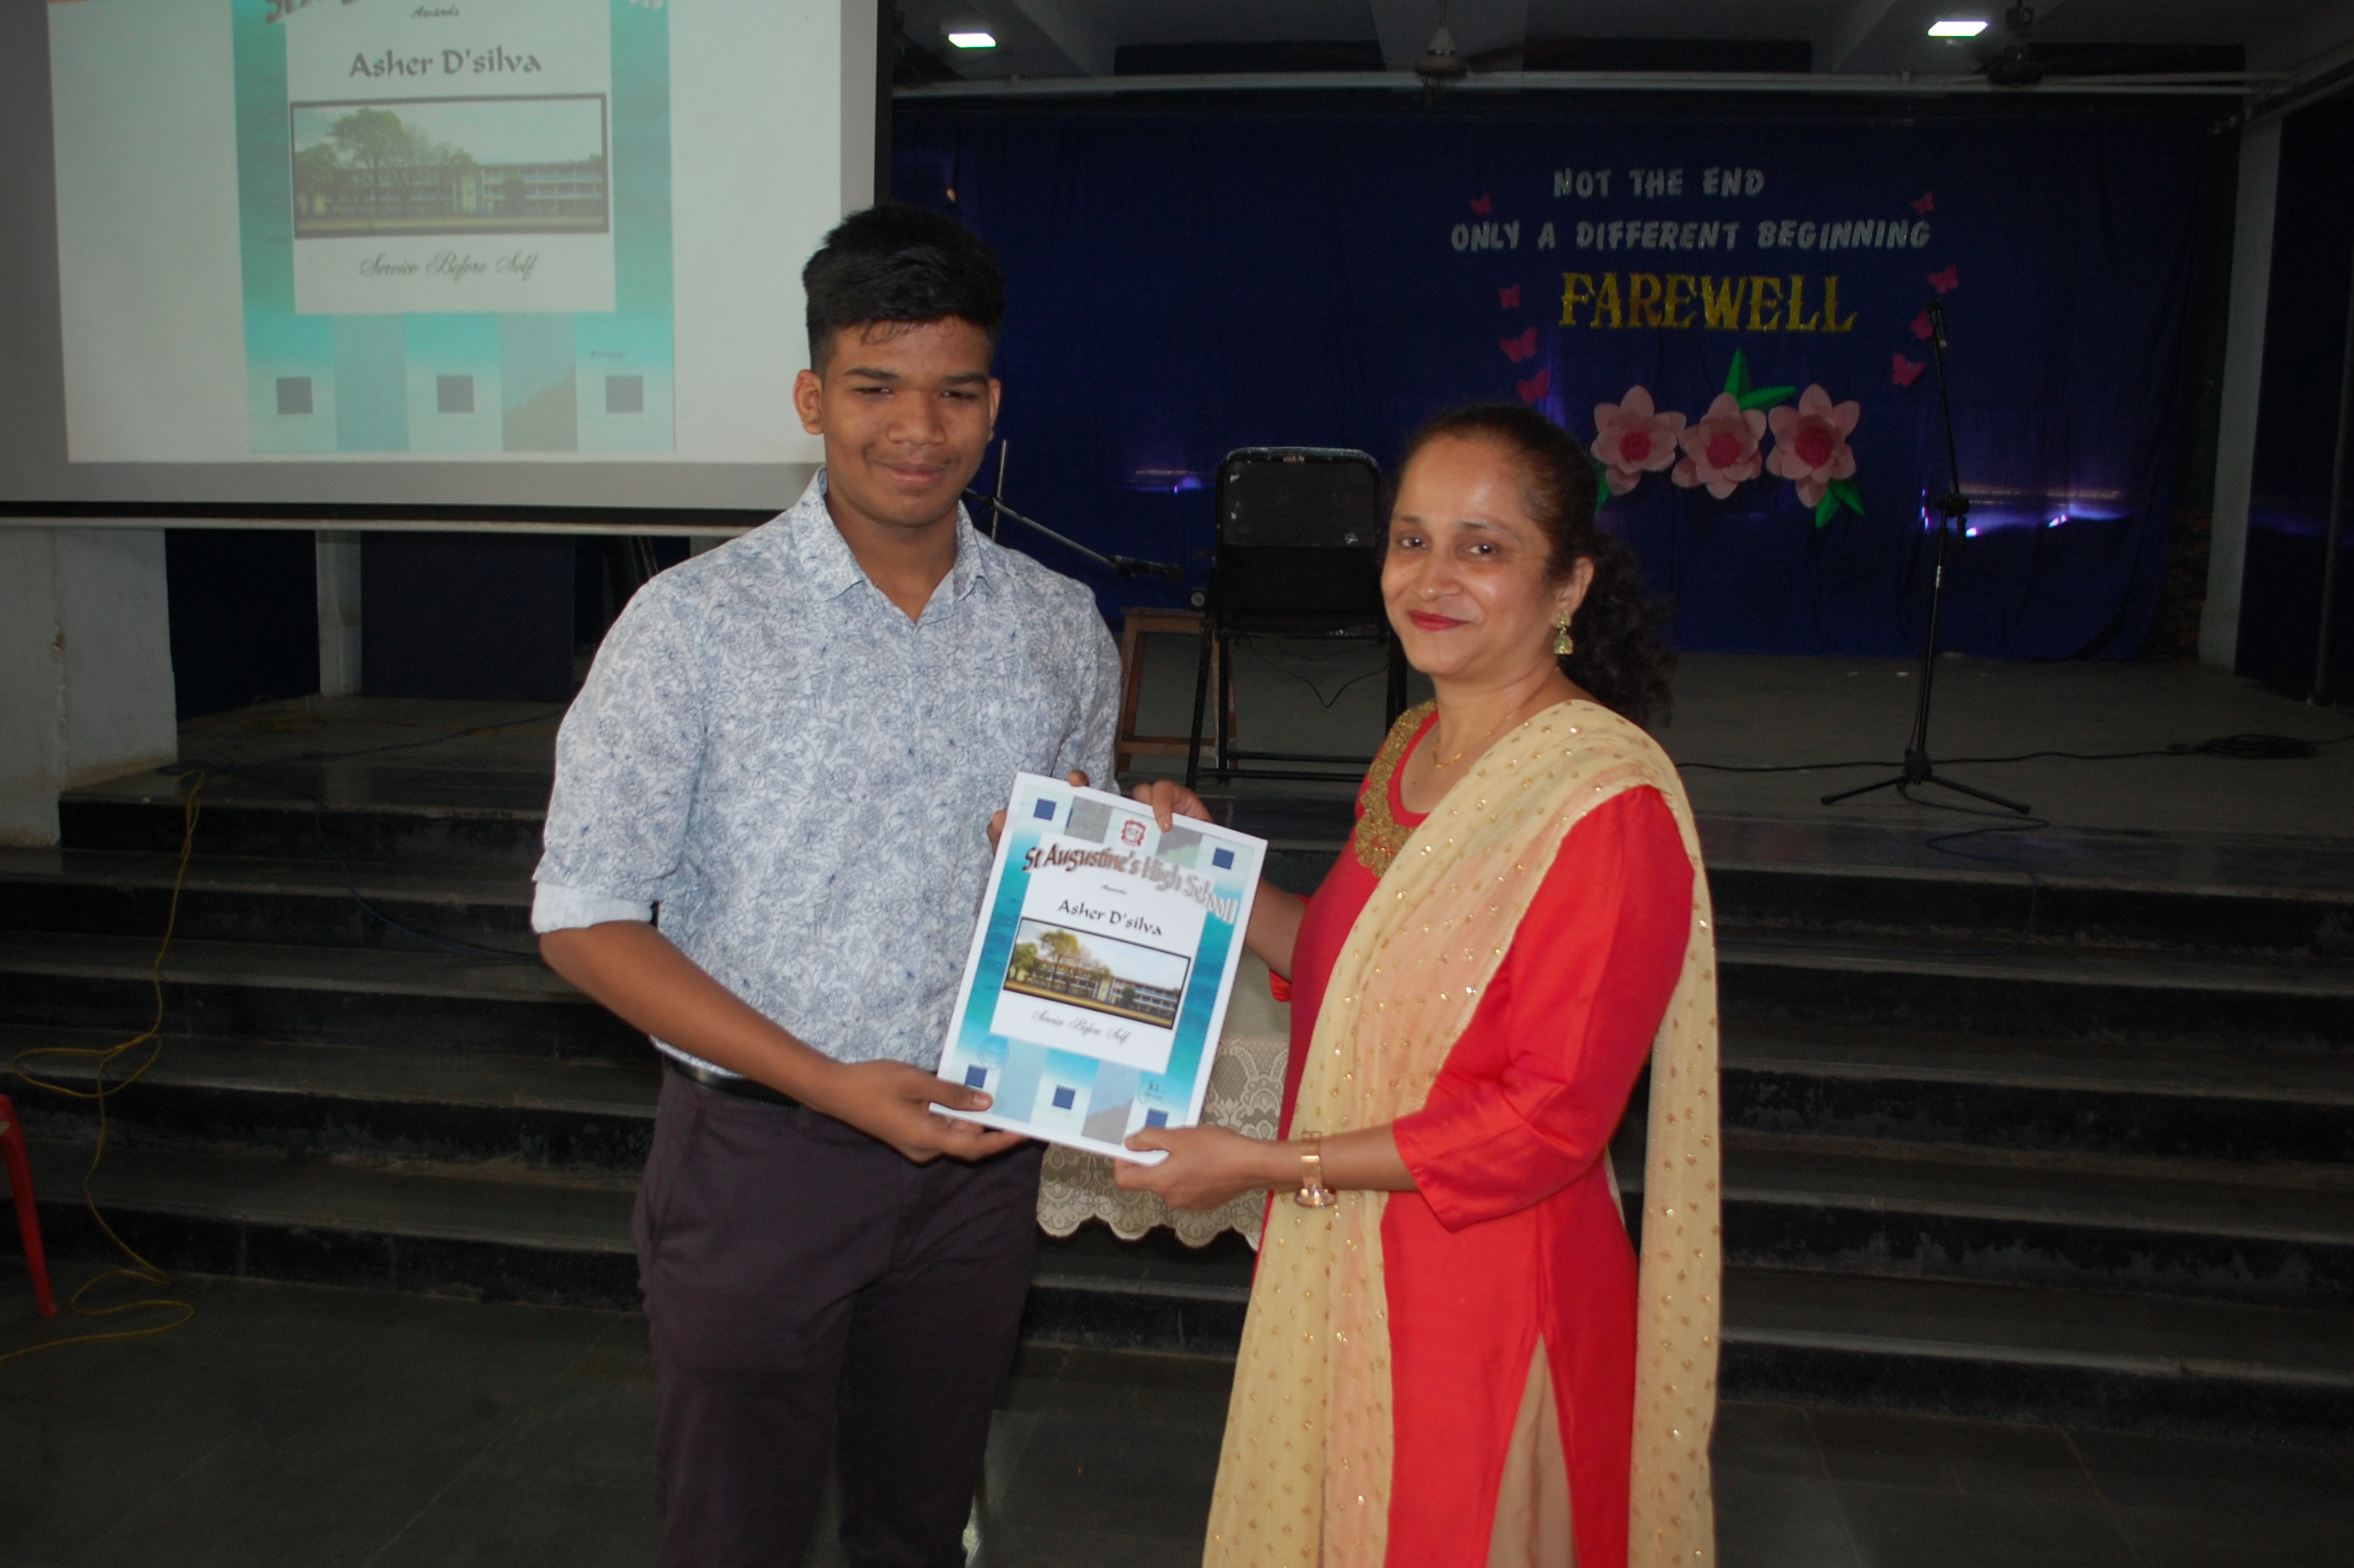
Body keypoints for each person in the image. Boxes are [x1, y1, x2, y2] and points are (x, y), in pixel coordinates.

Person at [532, 205, 1123, 1568]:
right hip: (760, 1166)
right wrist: (831, 1084)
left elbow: (1069, 889)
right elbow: (582, 915)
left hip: (977, 1168)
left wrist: (1136, 850)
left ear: (993, 405)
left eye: (955, 391)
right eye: (874, 387)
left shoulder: (1057, 626)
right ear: (813, 398)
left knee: (920, 1529)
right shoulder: (691, 626)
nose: (918, 427)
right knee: (733, 1536)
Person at [1114, 404, 1721, 1568]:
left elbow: (1549, 1121)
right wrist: (1186, 869)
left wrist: (1266, 1166)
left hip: (1485, 1296)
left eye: (1481, 548)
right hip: (1355, 1251)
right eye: (1410, 539)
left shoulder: (1605, 805)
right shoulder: (1413, 749)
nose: (1431, 579)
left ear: (1568, 585)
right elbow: (1340, 960)